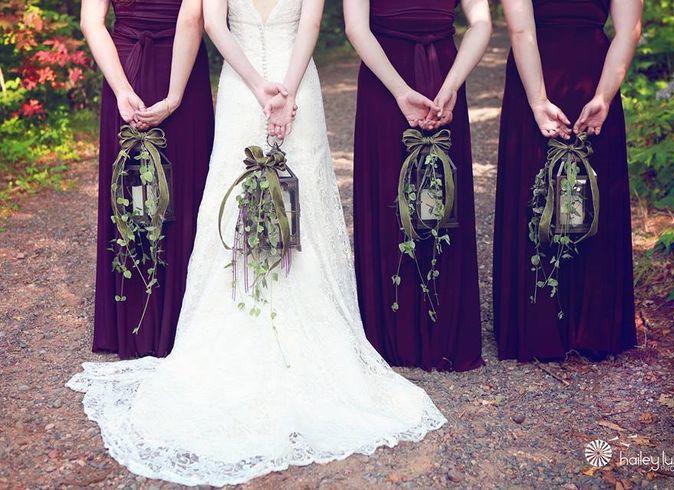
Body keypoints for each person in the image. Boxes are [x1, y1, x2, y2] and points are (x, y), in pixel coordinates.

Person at [68, 0, 445, 485]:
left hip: (244, 87)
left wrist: (256, 85)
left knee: (251, 195)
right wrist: (284, 92)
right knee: (279, 194)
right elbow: (303, 22)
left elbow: (212, 24)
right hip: (291, 83)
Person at [345, 0, 492, 372]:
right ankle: (412, 331)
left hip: (440, 72)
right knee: (390, 197)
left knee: (443, 198)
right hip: (388, 76)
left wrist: (452, 83)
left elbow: (481, 23)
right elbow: (356, 28)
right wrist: (400, 90)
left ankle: (421, 330)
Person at [493, 0, 642, 361]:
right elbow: (629, 29)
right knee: (593, 188)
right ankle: (594, 324)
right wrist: (603, 97)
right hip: (593, 72)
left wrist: (538, 100)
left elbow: (521, 29)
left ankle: (536, 323)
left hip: (538, 71)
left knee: (536, 188)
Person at [81, 0, 214, 358]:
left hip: (127, 66)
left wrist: (122, 88)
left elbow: (92, 22)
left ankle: (133, 325)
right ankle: (180, 321)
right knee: (181, 186)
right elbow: (192, 16)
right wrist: (173, 99)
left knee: (133, 186)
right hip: (179, 70)